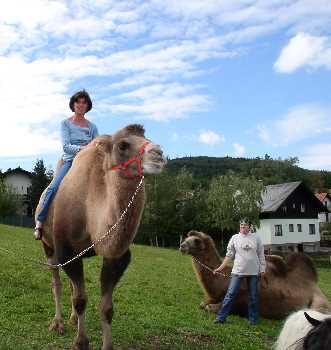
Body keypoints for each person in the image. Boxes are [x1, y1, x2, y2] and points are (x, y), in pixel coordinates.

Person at [33, 90, 99, 240]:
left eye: (84, 102)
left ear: (88, 106)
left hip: (89, 163)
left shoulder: (92, 127)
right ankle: (40, 222)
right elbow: (66, 147)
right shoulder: (65, 124)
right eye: (78, 102)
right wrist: (85, 148)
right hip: (70, 162)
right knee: (54, 187)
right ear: (73, 104)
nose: (81, 105)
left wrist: (93, 148)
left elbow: (97, 145)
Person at [213, 218, 266, 325]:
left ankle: (253, 320)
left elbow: (261, 254)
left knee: (253, 296)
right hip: (238, 271)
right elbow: (229, 256)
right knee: (230, 294)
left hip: (253, 272)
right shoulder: (235, 238)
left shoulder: (256, 238)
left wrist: (262, 269)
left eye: (245, 226)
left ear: (249, 227)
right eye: (241, 226)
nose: (242, 228)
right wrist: (220, 268)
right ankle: (221, 318)